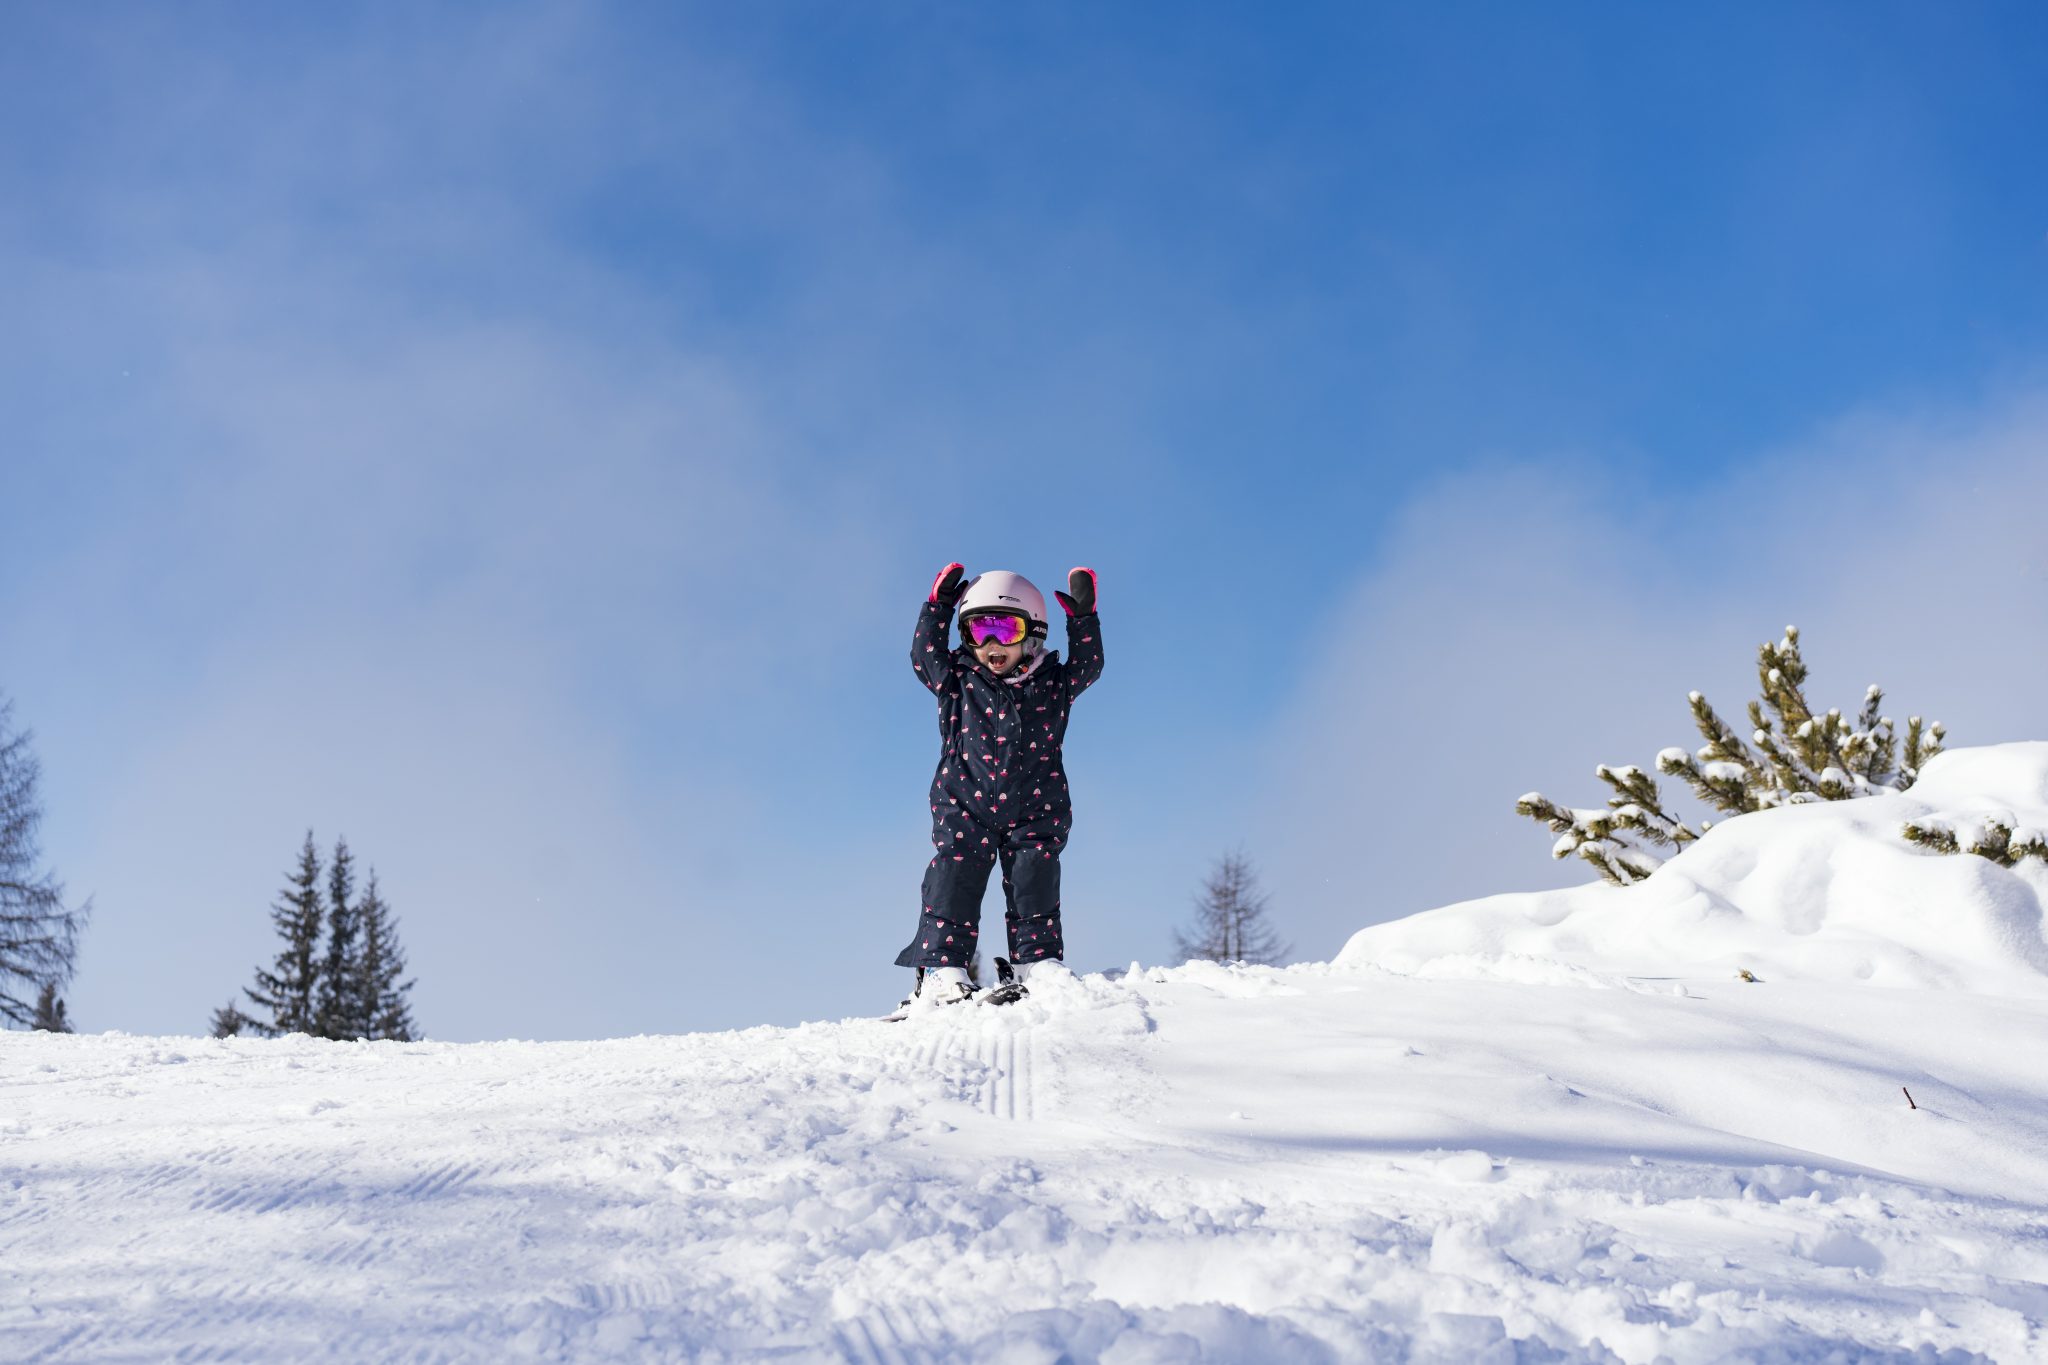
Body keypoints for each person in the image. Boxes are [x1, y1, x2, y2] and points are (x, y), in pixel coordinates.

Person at [890, 564, 1105, 1015]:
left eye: (1006, 630)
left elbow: (1089, 667)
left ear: (1034, 634)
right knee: (954, 879)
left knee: (1035, 881)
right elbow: (923, 656)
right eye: (978, 630)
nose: (991, 644)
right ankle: (942, 971)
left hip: (1036, 806)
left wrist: (1084, 621)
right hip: (964, 803)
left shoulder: (1053, 683)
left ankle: (1036, 963)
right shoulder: (957, 680)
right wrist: (938, 609)